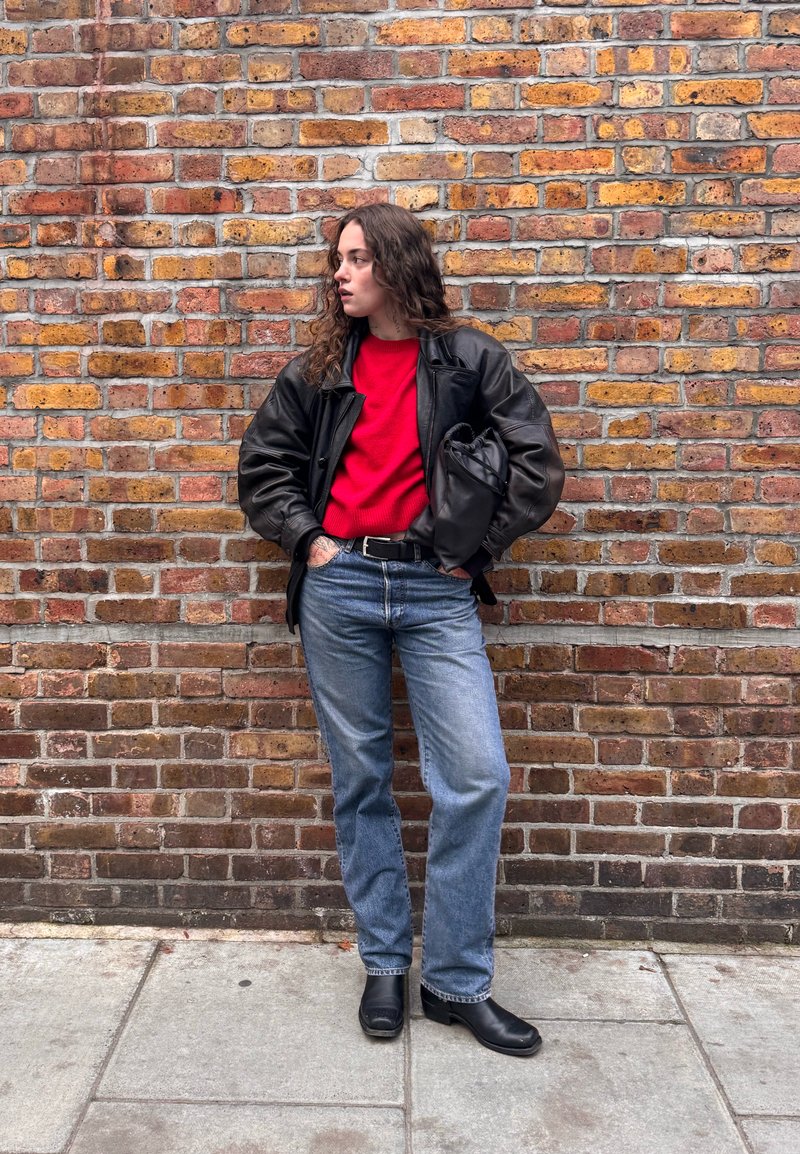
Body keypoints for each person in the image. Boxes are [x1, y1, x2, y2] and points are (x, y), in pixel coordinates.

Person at [238, 202, 564, 1057]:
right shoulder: (319, 366)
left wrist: (479, 548)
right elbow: (263, 467)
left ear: (394, 262)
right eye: (336, 259)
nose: (338, 273)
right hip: (340, 589)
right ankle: (384, 964)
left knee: (477, 776)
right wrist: (309, 544)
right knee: (362, 781)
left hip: (434, 592)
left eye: (354, 258)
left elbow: (537, 462)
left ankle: (455, 984)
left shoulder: (467, 359)